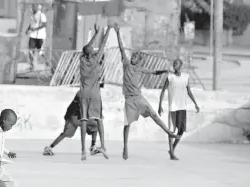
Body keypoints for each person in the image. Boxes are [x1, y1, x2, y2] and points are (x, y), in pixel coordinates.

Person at [113, 24, 180, 160]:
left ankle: (169, 132)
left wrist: (165, 71)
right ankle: (125, 147)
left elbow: (155, 73)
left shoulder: (141, 68)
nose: (132, 58)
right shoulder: (126, 64)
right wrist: (118, 33)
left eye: (135, 57)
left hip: (139, 98)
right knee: (127, 124)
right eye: (132, 56)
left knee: (154, 116)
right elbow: (121, 49)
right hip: (129, 99)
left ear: (139, 60)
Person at [79, 23, 112, 161]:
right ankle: (103, 145)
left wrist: (95, 33)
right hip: (95, 94)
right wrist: (108, 30)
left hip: (84, 93)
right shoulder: (96, 59)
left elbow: (85, 48)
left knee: (84, 120)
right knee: (99, 119)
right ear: (92, 52)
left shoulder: (82, 59)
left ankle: (83, 150)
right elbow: (103, 44)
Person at [158, 59, 200, 160]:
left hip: (182, 107)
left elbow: (189, 91)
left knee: (181, 130)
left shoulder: (185, 77)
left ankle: (172, 148)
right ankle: (172, 153)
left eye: (176, 63)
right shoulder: (170, 77)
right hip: (173, 107)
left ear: (181, 65)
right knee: (171, 131)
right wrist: (160, 105)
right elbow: (163, 91)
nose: (174, 65)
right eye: (174, 63)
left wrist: (195, 104)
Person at [43, 90, 101, 156]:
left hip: (76, 117)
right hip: (73, 117)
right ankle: (92, 148)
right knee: (95, 125)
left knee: (67, 134)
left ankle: (50, 148)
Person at [26, 4, 47, 71]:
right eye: (32, 6)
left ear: (37, 7)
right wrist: (27, 29)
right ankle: (32, 66)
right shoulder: (32, 15)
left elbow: (44, 24)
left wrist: (36, 29)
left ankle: (47, 63)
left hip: (40, 36)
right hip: (32, 36)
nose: (33, 8)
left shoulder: (41, 15)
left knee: (41, 51)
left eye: (34, 6)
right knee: (30, 50)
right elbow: (31, 24)